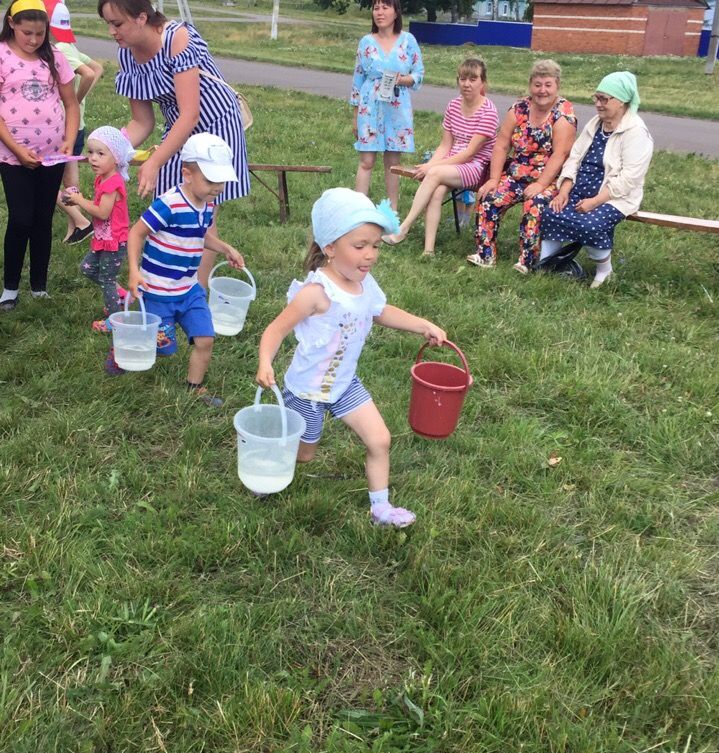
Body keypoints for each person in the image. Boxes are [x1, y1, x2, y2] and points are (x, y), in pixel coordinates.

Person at [255, 188, 446, 529]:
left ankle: (380, 509)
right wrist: (265, 362)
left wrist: (422, 325)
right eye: (359, 246)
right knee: (305, 454)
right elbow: (274, 331)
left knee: (380, 439)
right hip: (307, 392)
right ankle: (267, 469)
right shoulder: (316, 293)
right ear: (329, 248)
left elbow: (380, 311)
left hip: (345, 385)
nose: (370, 254)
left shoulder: (364, 284)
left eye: (374, 245)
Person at [98, 0, 249, 286]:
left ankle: (194, 292)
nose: (111, 31)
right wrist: (109, 147)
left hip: (216, 125)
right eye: (107, 24)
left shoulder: (177, 39)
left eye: (117, 23)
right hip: (179, 126)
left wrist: (154, 161)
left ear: (141, 17)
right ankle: (162, 282)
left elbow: (191, 113)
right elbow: (142, 122)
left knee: (201, 208)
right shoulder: (128, 55)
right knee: (167, 203)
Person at [118, 133, 245, 406]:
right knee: (163, 347)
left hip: (189, 290)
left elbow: (200, 235)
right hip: (157, 291)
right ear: (187, 174)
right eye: (211, 181)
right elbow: (136, 233)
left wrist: (225, 248)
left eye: (221, 181)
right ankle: (121, 339)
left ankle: (194, 387)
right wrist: (133, 270)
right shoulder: (169, 203)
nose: (217, 187)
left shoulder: (207, 204)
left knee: (205, 339)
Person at [540, 72, 654, 289]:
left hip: (613, 197)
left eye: (604, 99)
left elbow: (628, 179)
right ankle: (549, 265)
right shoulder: (595, 123)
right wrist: (564, 190)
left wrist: (595, 201)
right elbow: (574, 158)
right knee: (551, 212)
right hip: (579, 189)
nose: (598, 104)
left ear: (621, 102)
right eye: (596, 98)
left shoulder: (636, 132)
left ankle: (604, 271)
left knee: (590, 225)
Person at [0, 0, 79, 311]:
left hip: (51, 156)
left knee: (43, 218)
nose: (33, 40)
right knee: (20, 218)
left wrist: (69, 142)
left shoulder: (54, 56)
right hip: (12, 155)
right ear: (11, 24)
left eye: (40, 33)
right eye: (27, 33)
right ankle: (9, 288)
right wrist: (17, 149)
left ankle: (39, 286)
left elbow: (71, 104)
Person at [381, 57, 498, 256]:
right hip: (451, 164)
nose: (467, 84)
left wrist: (431, 169)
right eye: (462, 79)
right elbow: (445, 145)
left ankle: (403, 228)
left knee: (433, 175)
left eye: (472, 79)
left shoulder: (489, 111)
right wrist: (431, 163)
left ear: (482, 82)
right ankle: (429, 250)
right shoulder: (453, 105)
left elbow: (470, 153)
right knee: (436, 191)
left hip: (477, 166)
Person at [469, 59, 576, 274]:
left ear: (557, 86)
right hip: (517, 173)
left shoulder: (563, 114)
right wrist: (493, 178)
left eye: (548, 85)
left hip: (550, 177)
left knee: (535, 203)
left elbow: (560, 154)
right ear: (530, 85)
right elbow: (501, 145)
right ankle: (485, 255)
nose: (542, 90)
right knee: (490, 197)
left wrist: (541, 183)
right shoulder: (518, 109)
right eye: (537, 84)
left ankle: (528, 260)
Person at [350, 0, 423, 212]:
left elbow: (419, 73)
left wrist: (403, 79)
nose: (379, 13)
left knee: (393, 163)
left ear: (396, 12)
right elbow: (357, 78)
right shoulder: (366, 42)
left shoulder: (408, 41)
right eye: (376, 8)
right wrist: (355, 115)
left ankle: (392, 212)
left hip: (397, 105)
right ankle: (359, 212)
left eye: (385, 8)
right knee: (366, 160)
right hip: (369, 107)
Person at [44, 0, 104, 243]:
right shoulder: (69, 45)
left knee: (46, 181)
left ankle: (81, 220)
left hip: (63, 127)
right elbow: (98, 68)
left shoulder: (60, 49)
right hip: (76, 126)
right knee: (70, 177)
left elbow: (89, 73)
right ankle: (75, 229)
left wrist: (76, 101)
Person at [62, 126, 132, 327]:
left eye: (100, 153)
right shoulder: (102, 178)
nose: (93, 158)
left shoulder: (112, 184)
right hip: (103, 238)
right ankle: (121, 296)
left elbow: (102, 212)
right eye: (90, 152)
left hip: (114, 241)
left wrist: (79, 200)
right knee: (87, 268)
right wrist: (78, 201)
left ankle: (115, 320)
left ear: (116, 158)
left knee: (107, 279)